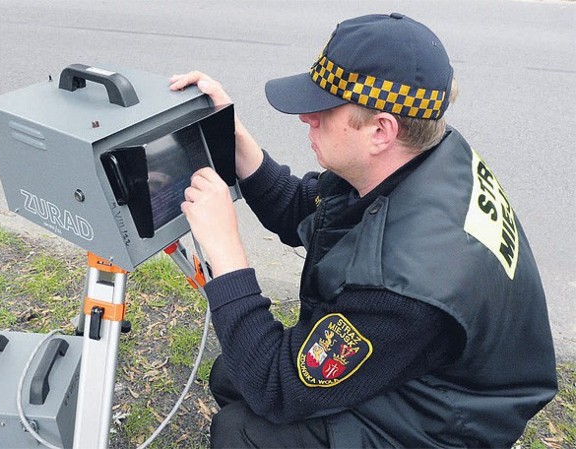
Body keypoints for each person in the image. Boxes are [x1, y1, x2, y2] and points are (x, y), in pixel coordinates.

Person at [170, 13, 557, 448]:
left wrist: (224, 250)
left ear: (380, 130)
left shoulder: (404, 284)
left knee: (241, 431)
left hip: (445, 422)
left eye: (323, 110)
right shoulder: (420, 157)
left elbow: (276, 386)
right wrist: (233, 137)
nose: (305, 118)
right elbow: (311, 210)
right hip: (423, 362)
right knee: (232, 375)